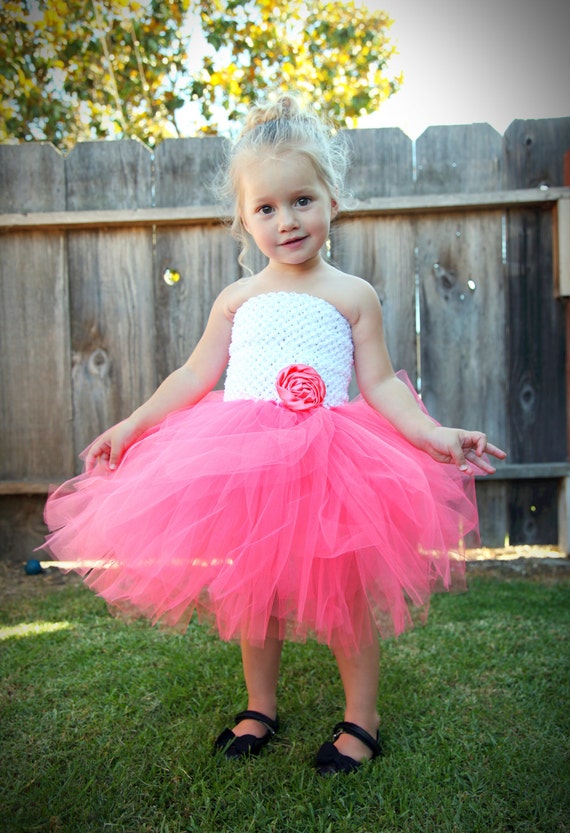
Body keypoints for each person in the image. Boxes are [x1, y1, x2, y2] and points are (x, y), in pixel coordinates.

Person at [44, 93, 506, 776]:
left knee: (344, 595)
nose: (285, 220)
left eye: (301, 200)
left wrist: (432, 432)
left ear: (332, 201)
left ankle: (362, 715)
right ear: (244, 218)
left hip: (331, 462)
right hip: (247, 462)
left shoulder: (353, 295)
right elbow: (195, 374)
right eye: (266, 207)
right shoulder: (236, 300)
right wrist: (136, 422)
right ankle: (260, 703)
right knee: (251, 591)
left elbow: (379, 385)